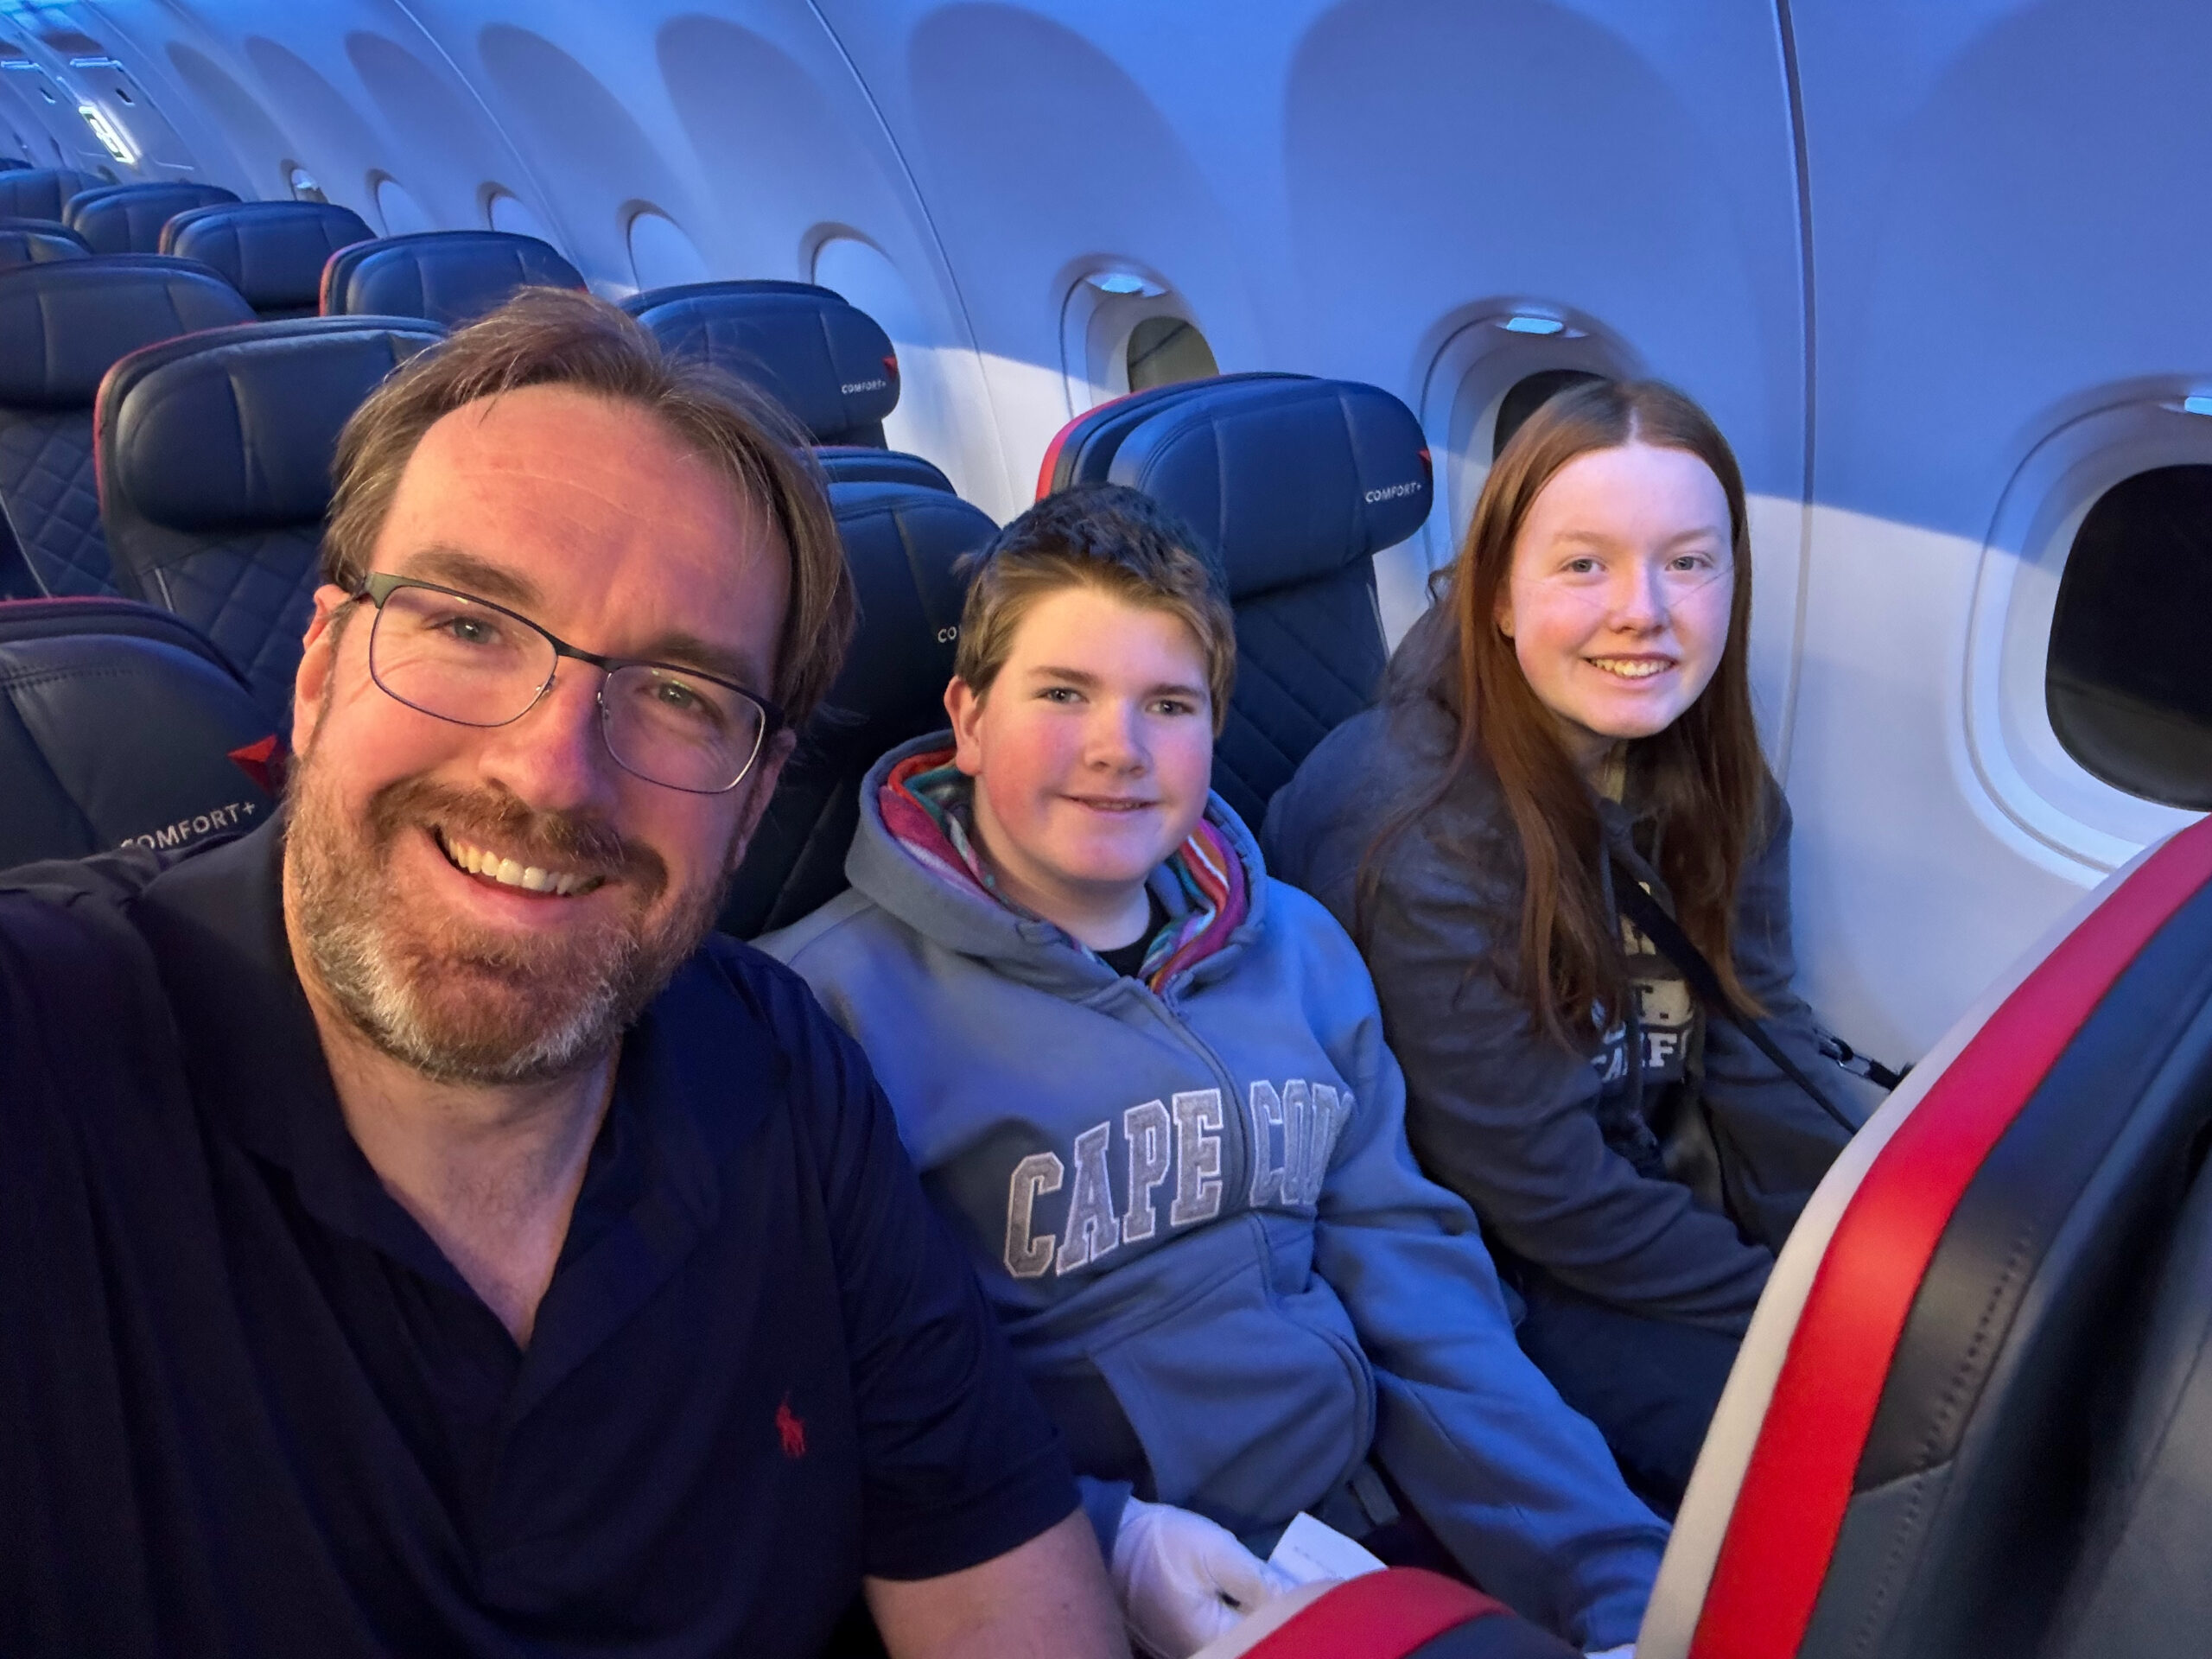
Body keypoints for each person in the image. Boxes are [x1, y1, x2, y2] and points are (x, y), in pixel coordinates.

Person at [0, 290, 1127, 1659]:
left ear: (760, 789)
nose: (548, 771)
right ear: (317, 670)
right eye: (469, 626)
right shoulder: (50, 1049)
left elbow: (999, 1586)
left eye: (680, 692)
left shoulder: (782, 1069)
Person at [763, 484, 1666, 1659]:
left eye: (1169, 704)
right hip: (1092, 1585)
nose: (1117, 749)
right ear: (968, 718)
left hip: (1368, 1519)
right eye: (1062, 693)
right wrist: (1103, 1544)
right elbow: (822, 1421)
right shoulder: (823, 1016)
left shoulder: (1297, 950)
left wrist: (1613, 1578)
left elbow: (1420, 1291)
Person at [1265, 378, 1876, 1515]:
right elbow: (1540, 1192)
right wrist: (1782, 1308)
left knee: (1916, 1368)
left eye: (1688, 563)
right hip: (1495, 1265)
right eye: (1584, 565)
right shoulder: (1416, 837)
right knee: (1829, 1465)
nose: (1644, 608)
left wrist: (1874, 1268)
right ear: (1501, 595)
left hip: (1628, 1185)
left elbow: (1759, 1043)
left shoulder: (1711, 783)